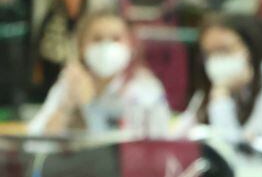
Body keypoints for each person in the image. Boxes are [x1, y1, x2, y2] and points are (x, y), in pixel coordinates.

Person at [28, 9, 170, 137]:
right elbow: (35, 137)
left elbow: (155, 143)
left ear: (131, 45)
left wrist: (90, 105)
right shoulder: (70, 81)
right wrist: (67, 106)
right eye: (97, 39)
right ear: (82, 47)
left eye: (115, 39)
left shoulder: (145, 87)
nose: (106, 46)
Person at [186, 14, 262, 146]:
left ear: (249, 48)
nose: (217, 60)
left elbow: (238, 151)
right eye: (209, 53)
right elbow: (183, 133)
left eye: (224, 50)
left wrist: (221, 98)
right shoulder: (209, 89)